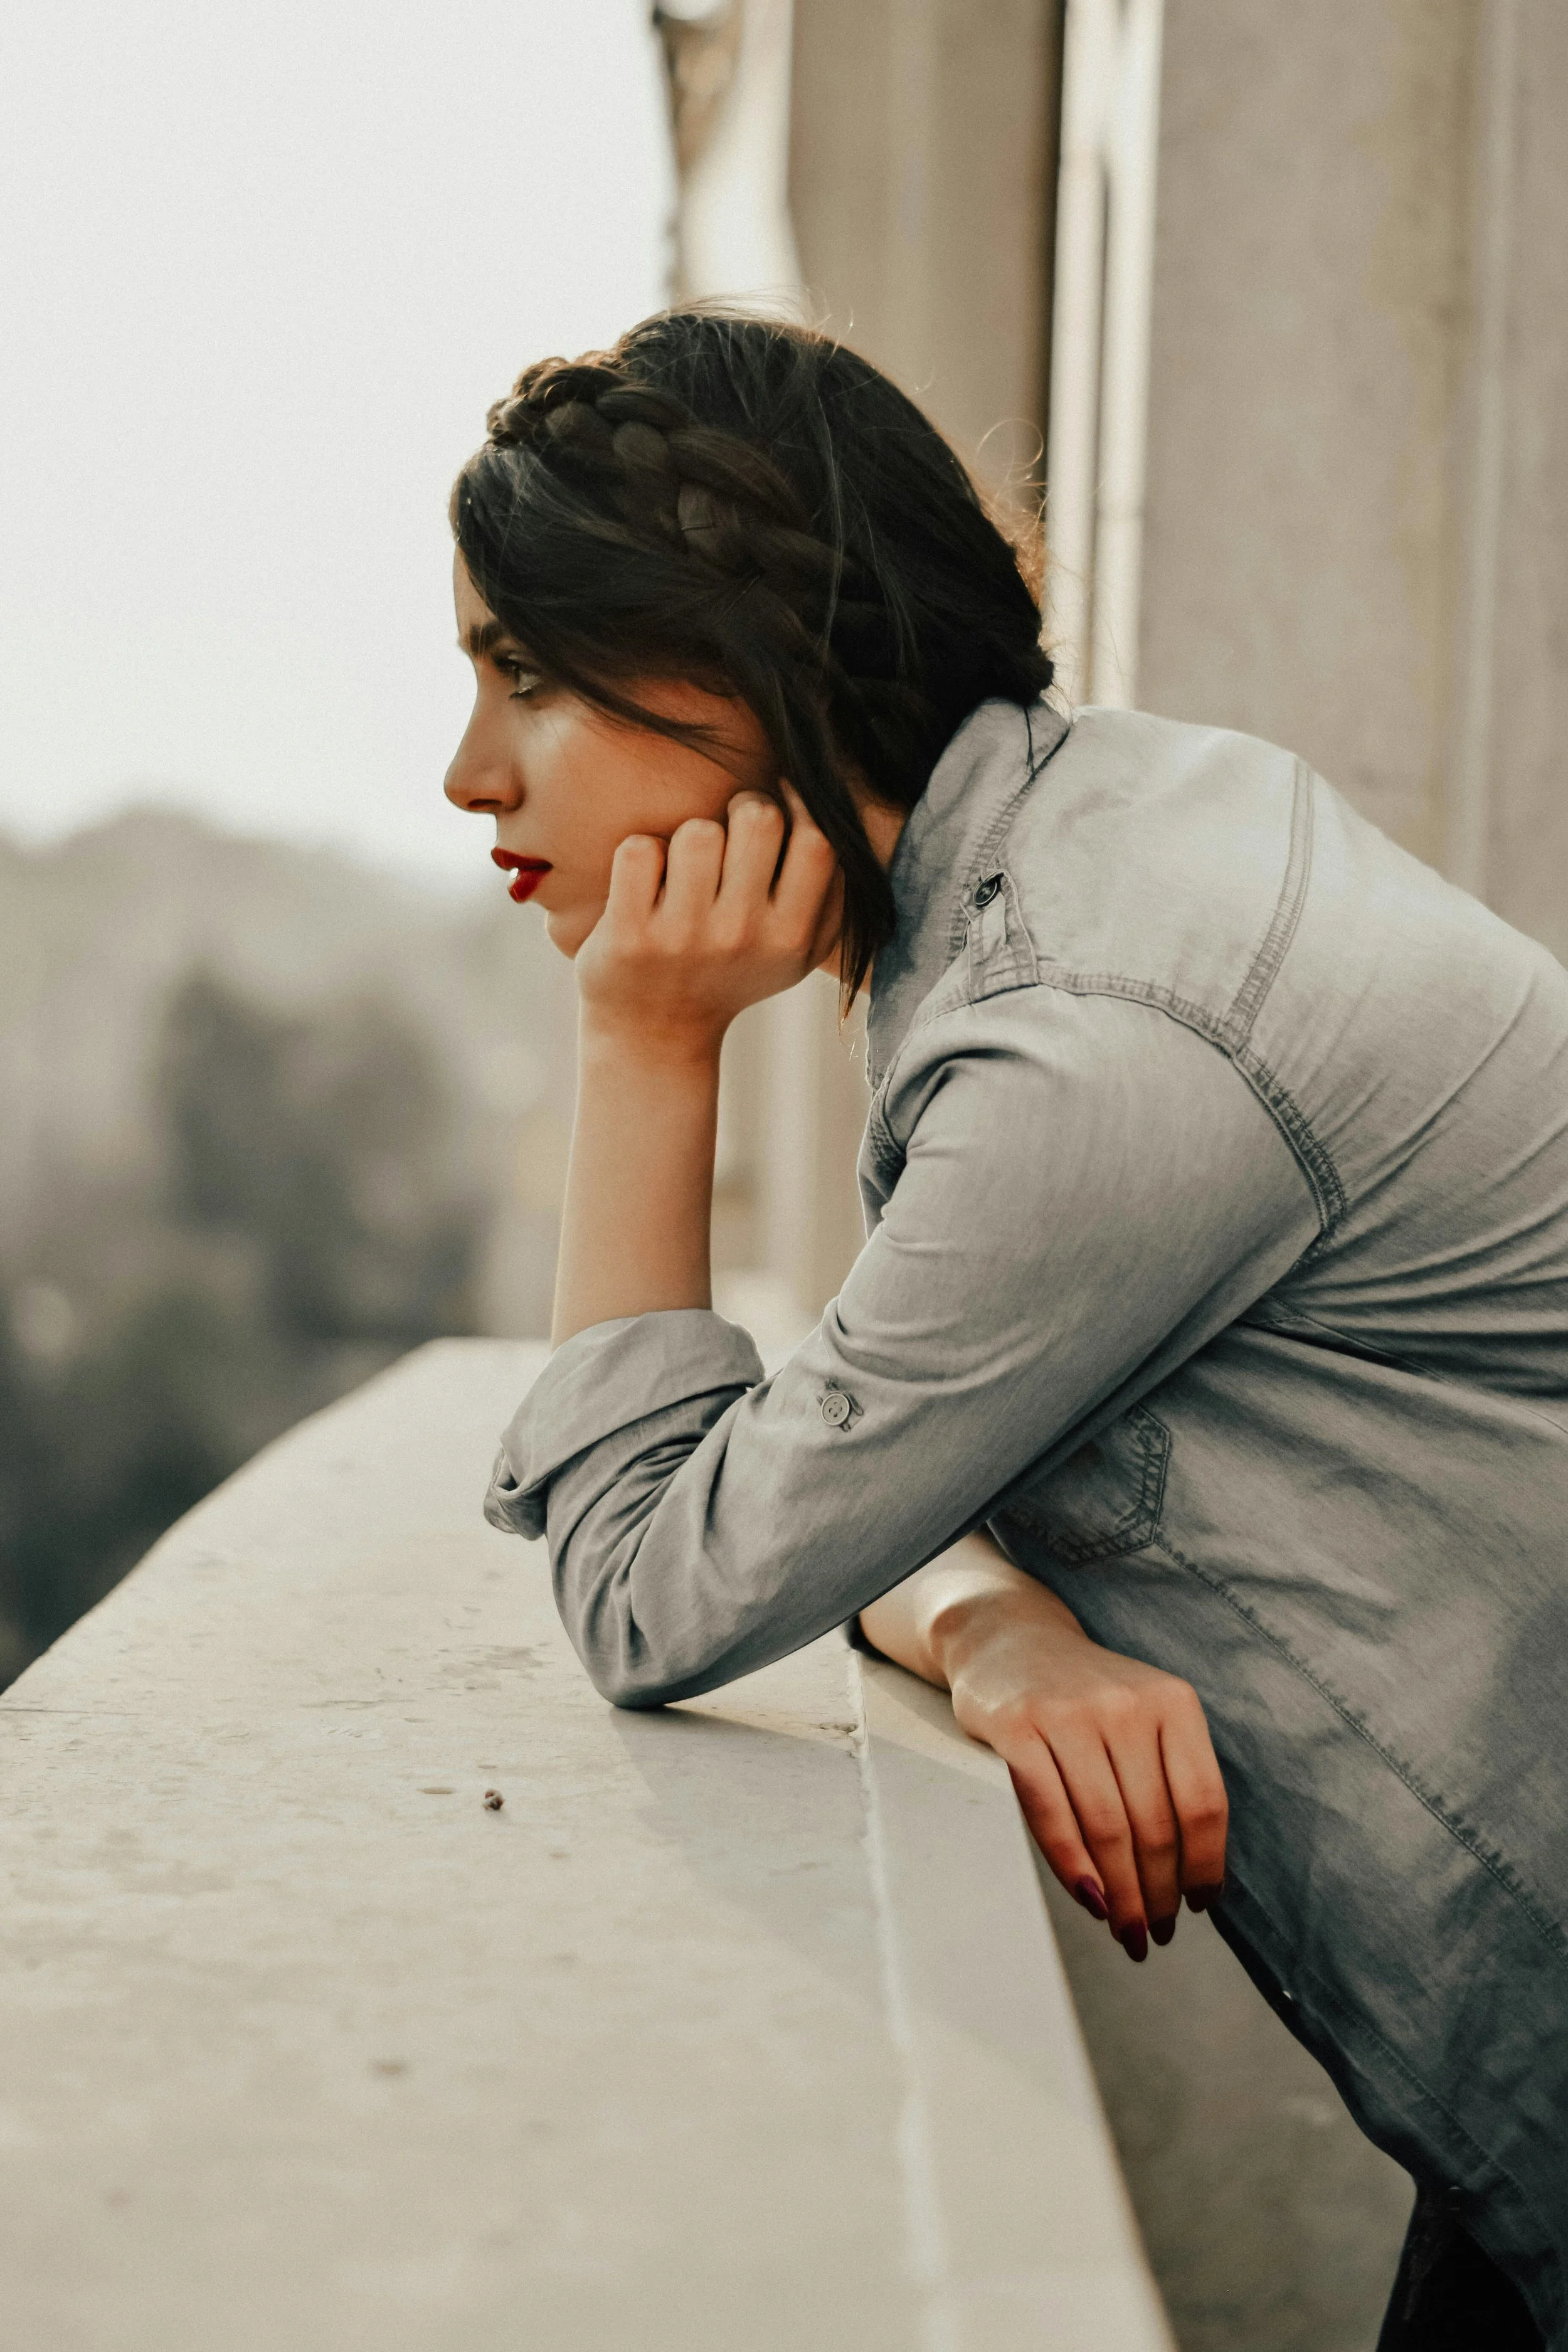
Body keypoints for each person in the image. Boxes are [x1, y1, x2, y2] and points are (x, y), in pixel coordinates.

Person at [443, 307, 1565, 2350]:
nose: (467, 775)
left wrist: (642, 1038)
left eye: (521, 673)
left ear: (727, 665)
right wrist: (986, 1613)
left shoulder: (1087, 1047)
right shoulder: (1117, 833)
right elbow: (894, 1436)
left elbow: (651, 1589)